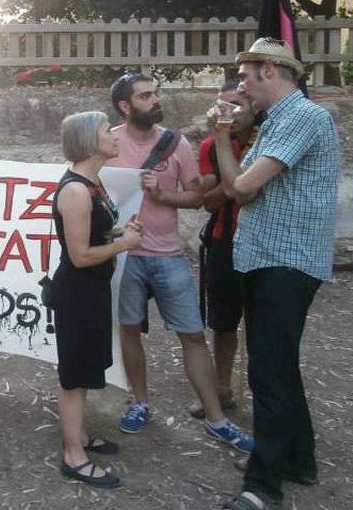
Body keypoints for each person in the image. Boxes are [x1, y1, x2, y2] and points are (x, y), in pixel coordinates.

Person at [211, 39, 340, 510]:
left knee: (267, 374)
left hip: (286, 262)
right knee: (278, 366)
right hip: (264, 258)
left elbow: (240, 188)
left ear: (268, 70)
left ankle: (262, 488)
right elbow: (232, 187)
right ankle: (299, 461)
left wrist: (225, 141)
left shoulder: (303, 117)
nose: (241, 87)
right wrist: (224, 136)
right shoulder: (275, 124)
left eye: (246, 77)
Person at [106, 73, 253, 452]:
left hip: (167, 254)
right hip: (125, 255)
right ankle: (139, 401)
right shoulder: (108, 142)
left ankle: (216, 417)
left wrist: (163, 194)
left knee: (191, 335)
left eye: (156, 93)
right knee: (128, 331)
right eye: (145, 96)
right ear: (125, 105)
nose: (155, 100)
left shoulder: (177, 145)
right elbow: (90, 191)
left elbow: (195, 200)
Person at [52, 111, 143, 490]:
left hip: (90, 291)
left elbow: (94, 234)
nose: (116, 135)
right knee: (74, 376)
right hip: (77, 293)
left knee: (85, 366)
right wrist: (124, 243)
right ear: (90, 140)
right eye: (108, 130)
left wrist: (118, 230)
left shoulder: (93, 182)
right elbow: (79, 256)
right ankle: (74, 456)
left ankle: (80, 436)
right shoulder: (75, 191)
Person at [188, 80, 257, 418]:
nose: (225, 112)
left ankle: (264, 394)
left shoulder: (268, 139)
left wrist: (237, 182)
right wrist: (238, 182)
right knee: (224, 322)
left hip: (261, 241)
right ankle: (222, 388)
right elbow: (208, 200)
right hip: (223, 241)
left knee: (263, 323)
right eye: (220, 105)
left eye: (234, 104)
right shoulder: (210, 146)